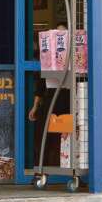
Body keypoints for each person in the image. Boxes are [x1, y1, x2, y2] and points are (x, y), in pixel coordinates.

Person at [28, 22, 70, 168]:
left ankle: (62, 168)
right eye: (57, 34)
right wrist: (35, 106)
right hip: (50, 102)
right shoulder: (48, 60)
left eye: (63, 34)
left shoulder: (73, 60)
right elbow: (41, 85)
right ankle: (42, 168)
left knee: (63, 139)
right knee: (44, 137)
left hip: (67, 104)